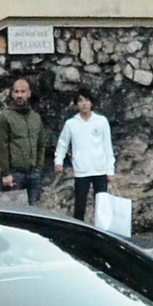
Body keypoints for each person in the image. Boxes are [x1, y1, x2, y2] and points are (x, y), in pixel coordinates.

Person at [52, 90, 114, 223]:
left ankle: (103, 232)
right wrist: (58, 161)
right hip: (81, 170)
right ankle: (79, 231)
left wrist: (110, 170)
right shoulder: (71, 124)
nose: (84, 104)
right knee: (80, 205)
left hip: (100, 169)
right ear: (76, 104)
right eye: (80, 100)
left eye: (86, 100)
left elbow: (107, 147)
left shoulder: (101, 121)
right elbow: (62, 143)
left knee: (102, 206)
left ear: (91, 103)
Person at [0, 75, 47, 206]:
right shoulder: (5, 117)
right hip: (15, 173)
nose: (19, 95)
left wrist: (39, 167)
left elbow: (40, 144)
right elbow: (1, 146)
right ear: (12, 94)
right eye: (16, 92)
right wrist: (6, 173)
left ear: (29, 94)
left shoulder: (36, 118)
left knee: (33, 210)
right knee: (14, 213)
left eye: (23, 92)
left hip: (33, 173)